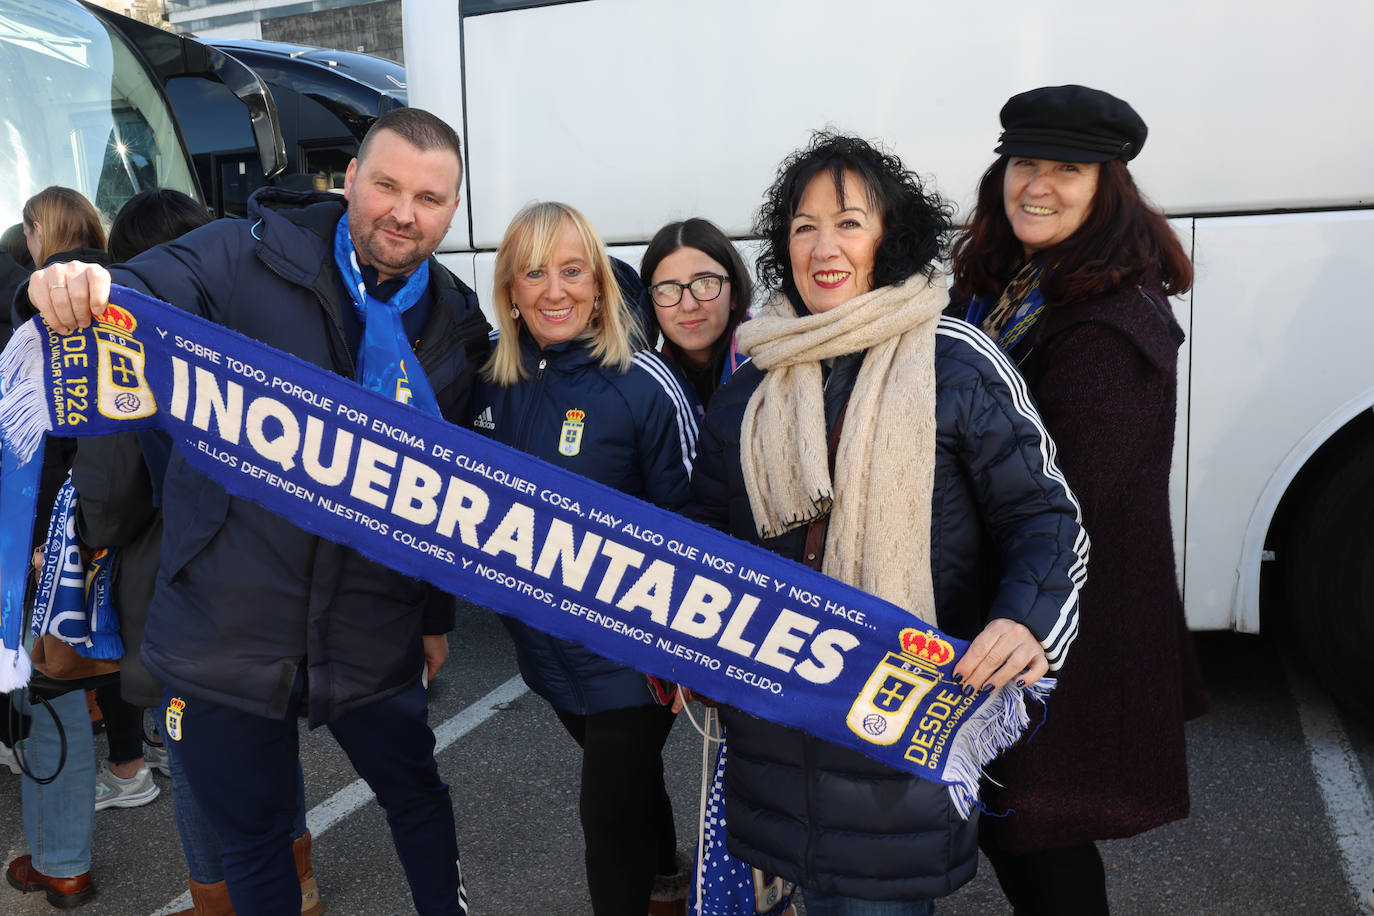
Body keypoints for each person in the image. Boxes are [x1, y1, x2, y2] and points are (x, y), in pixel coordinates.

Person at [23, 107, 492, 916]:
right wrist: (82, 284)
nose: (404, 213)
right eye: (385, 185)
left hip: (369, 622)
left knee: (418, 796)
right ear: (349, 178)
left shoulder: (454, 320)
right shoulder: (242, 254)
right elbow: (146, 287)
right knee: (254, 842)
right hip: (230, 624)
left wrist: (433, 614)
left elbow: (440, 500)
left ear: (454, 210)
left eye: (430, 197)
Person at [684, 131, 1088, 915]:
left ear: (888, 237)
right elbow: (705, 534)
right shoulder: (749, 385)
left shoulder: (954, 360)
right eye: (803, 226)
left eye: (849, 222)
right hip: (772, 742)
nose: (823, 246)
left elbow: (1047, 517)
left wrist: (1026, 620)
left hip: (898, 740)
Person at [948, 84, 1206, 915]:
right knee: (1018, 829)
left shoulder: (1110, 319)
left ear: (1109, 185)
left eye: (1068, 168)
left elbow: (1069, 500)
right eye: (1026, 162)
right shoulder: (1016, 287)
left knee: (1041, 837)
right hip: (1025, 609)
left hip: (1060, 625)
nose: (1038, 185)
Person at [468, 201, 697, 916]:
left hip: (637, 655)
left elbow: (697, 523)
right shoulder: (493, 384)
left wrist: (690, 648)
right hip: (546, 652)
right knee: (626, 783)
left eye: (572, 271)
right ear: (509, 289)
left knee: (606, 815)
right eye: (534, 272)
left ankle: (641, 884)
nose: (555, 290)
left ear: (599, 285)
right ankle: (666, 874)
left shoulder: (645, 385)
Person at [5, 186, 110, 910]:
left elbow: (51, 442)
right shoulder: (121, 293)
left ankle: (64, 859)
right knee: (55, 687)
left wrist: (43, 542)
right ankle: (53, 854)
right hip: (93, 526)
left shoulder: (53, 315)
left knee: (51, 689)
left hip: (49, 531)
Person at [640, 218, 752, 413]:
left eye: (705, 283)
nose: (688, 305)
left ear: (734, 294)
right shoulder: (643, 386)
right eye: (668, 289)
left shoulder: (771, 368)